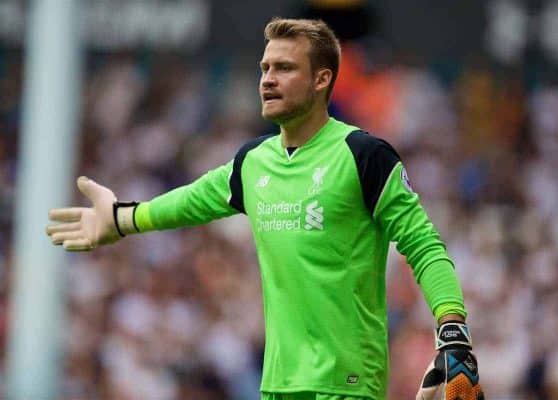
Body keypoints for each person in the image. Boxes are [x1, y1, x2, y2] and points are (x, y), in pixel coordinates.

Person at [46, 17, 484, 400]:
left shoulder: (363, 156)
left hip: (346, 385)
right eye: (265, 68)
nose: (267, 79)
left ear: (322, 80)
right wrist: (121, 219)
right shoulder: (253, 162)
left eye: (285, 68)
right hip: (276, 384)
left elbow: (424, 245)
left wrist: (452, 331)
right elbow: (188, 202)